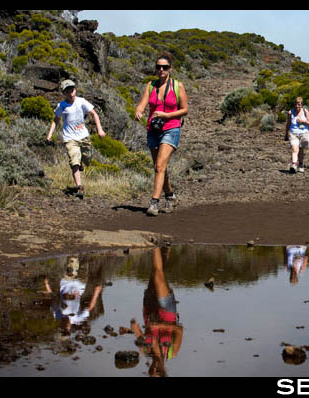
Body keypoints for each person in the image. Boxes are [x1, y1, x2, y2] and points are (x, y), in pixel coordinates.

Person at [135, 53, 189, 216]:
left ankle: (154, 203)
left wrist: (167, 116)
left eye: (164, 67)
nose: (161, 70)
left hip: (171, 128)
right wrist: (138, 111)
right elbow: (142, 104)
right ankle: (170, 196)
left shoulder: (177, 86)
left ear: (170, 69)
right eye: (158, 67)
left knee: (160, 165)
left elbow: (185, 109)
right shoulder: (151, 86)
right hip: (153, 129)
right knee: (160, 167)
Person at [46, 79, 106, 199]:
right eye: (67, 90)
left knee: (87, 159)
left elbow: (94, 114)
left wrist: (100, 129)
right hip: (70, 138)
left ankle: (81, 163)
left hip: (83, 136)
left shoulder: (81, 102)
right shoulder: (61, 106)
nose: (70, 92)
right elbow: (55, 120)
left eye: (72, 89)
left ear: (75, 89)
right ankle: (79, 186)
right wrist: (49, 134)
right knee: (74, 162)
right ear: (64, 93)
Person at [130, 247, 183, 377]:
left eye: (151, 372)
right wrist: (161, 326)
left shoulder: (146, 351)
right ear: (164, 371)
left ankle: (165, 248)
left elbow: (137, 332)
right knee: (158, 277)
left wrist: (134, 328)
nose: (154, 368)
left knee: (155, 274)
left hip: (149, 311)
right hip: (168, 312)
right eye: (158, 372)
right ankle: (155, 243)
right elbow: (180, 329)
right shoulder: (172, 352)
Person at [43, 257, 104, 333]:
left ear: (60, 327)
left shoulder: (57, 315)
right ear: (69, 328)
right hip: (80, 282)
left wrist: (46, 285)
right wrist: (97, 291)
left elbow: (53, 299)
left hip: (66, 281)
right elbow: (90, 307)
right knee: (84, 261)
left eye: (64, 329)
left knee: (72, 260)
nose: (66, 327)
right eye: (67, 330)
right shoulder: (77, 319)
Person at [284, 97, 309, 174]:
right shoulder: (290, 112)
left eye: (299, 104)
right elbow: (288, 124)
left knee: (301, 150)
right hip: (293, 133)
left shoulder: (305, 112)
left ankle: (301, 164)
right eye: (296, 104)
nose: (297, 106)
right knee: (295, 149)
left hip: (304, 133)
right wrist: (286, 133)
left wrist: (303, 121)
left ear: (302, 105)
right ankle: (293, 165)